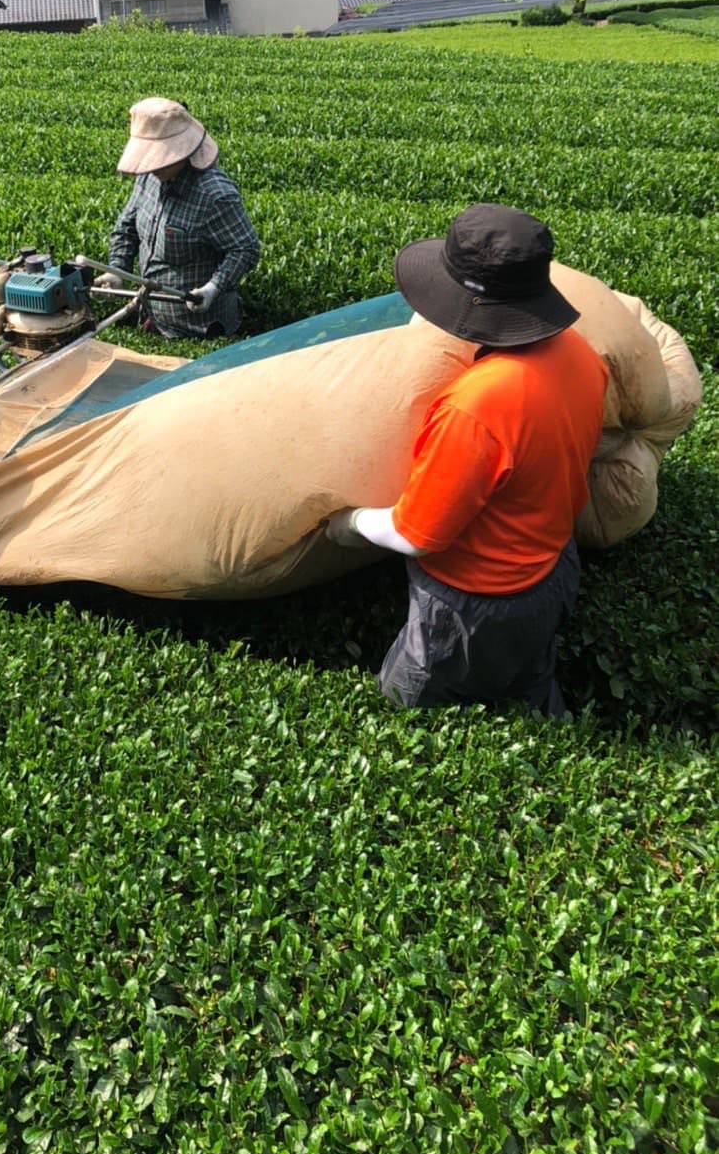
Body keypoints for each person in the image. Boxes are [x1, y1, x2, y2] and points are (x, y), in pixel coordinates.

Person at [326, 203, 607, 715]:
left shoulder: (475, 408)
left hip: (478, 601)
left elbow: (416, 535)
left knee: (410, 702)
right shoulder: (580, 355)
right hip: (552, 568)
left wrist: (350, 523)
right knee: (530, 685)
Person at [96, 97, 260, 339]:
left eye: (160, 158)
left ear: (182, 151)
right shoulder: (149, 177)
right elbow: (126, 227)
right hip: (152, 313)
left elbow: (245, 248)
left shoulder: (214, 196)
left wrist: (213, 288)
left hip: (200, 327)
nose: (152, 167)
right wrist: (117, 270)